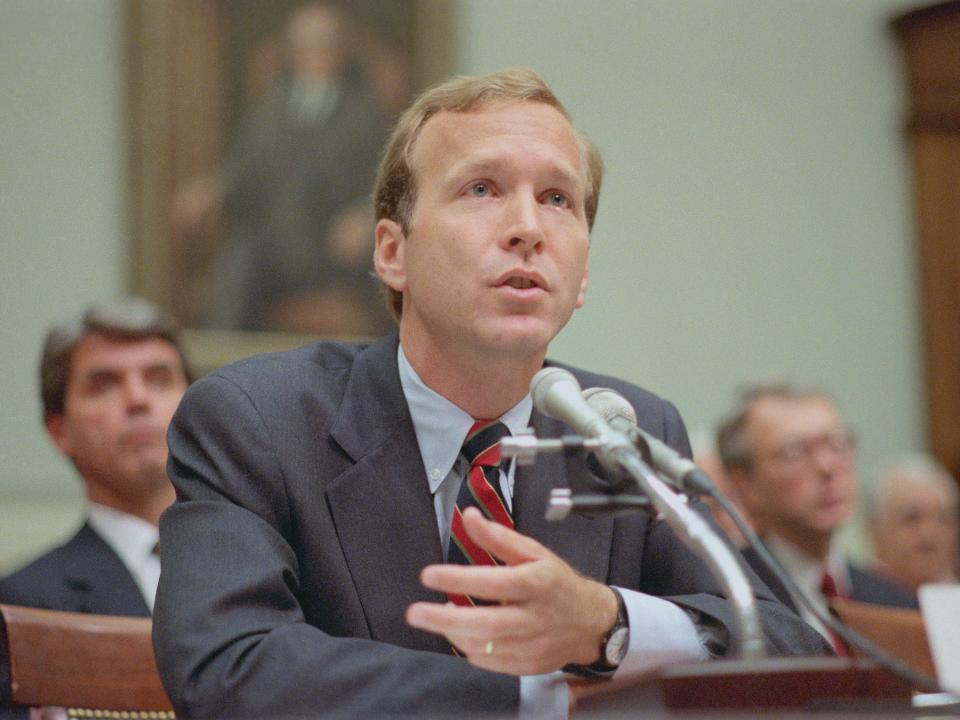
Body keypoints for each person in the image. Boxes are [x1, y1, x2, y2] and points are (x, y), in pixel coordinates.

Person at [153, 69, 829, 719]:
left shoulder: (626, 427)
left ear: (583, 271)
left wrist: (608, 626)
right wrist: (537, 701)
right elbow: (226, 666)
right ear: (392, 252)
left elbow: (789, 645)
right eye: (482, 189)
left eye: (558, 199)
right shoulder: (256, 420)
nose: (528, 229)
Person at [173, 2, 392, 335]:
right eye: (305, 46)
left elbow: (385, 181)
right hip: (276, 243)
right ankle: (222, 354)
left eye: (323, 45)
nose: (314, 55)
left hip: (331, 247)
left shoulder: (363, 114)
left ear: (340, 50)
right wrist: (213, 190)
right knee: (238, 262)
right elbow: (244, 169)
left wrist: (365, 215)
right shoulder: (271, 107)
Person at [0, 297, 191, 616]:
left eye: (158, 379)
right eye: (104, 386)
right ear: (60, 432)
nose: (138, 399)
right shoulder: (20, 605)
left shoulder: (270, 565)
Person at [717, 384, 917, 649]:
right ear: (743, 483)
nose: (827, 467)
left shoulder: (896, 603)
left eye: (837, 444)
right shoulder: (728, 596)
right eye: (795, 452)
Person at [867, 454, 959, 593]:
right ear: (874, 531)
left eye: (943, 518)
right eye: (912, 518)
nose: (929, 534)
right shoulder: (854, 601)